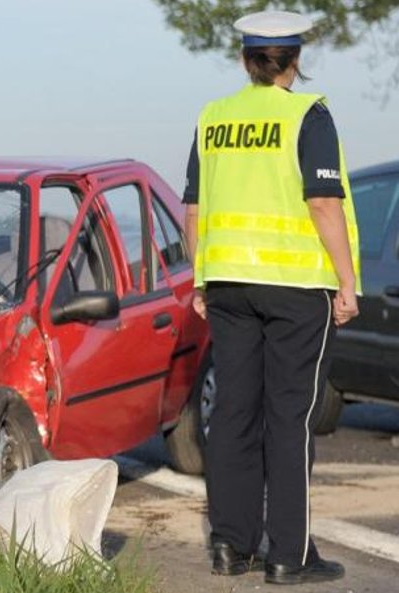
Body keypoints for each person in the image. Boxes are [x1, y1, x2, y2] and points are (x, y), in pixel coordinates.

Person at [182, 10, 361, 586]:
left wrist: (200, 278)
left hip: (229, 284)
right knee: (291, 417)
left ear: (245, 60)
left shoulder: (214, 117)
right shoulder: (309, 115)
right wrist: (347, 282)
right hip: (297, 289)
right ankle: (290, 555)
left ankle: (231, 547)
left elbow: (194, 208)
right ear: (296, 61)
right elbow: (324, 203)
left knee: (233, 412)